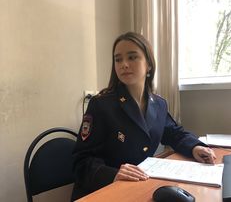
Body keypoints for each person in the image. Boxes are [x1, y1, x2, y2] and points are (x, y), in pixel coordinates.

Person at [71, 31, 216, 200]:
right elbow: (81, 161)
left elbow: (174, 133)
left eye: (132, 57)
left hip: (140, 186)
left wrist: (195, 147)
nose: (124, 64)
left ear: (149, 65)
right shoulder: (101, 104)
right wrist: (112, 174)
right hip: (104, 190)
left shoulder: (159, 104)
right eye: (118, 59)